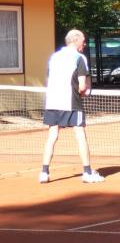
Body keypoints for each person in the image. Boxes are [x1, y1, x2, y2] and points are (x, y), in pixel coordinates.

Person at [39, 29, 105, 184]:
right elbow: (82, 86)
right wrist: (84, 92)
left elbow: (50, 78)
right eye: (83, 41)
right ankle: (87, 172)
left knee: (52, 136)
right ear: (76, 41)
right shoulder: (79, 58)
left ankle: (44, 172)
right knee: (80, 134)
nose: (84, 44)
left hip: (52, 101)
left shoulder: (54, 57)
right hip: (71, 102)